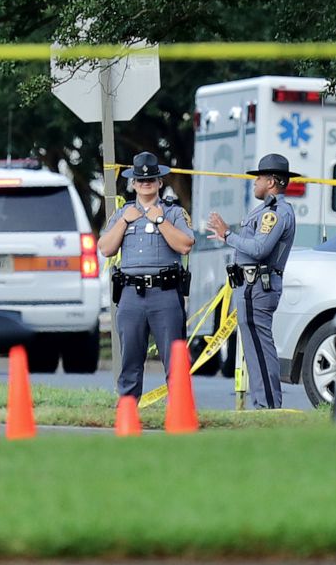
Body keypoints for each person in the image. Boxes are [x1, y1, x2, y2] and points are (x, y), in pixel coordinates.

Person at [98, 151, 195, 399]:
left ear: (160, 182)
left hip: (164, 294)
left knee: (174, 358)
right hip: (131, 295)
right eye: (140, 180)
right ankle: (128, 413)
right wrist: (123, 223)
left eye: (151, 179)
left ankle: (179, 412)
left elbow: (185, 245)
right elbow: (106, 248)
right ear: (133, 183)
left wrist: (159, 219)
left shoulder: (173, 213)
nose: (145, 183)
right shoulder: (123, 213)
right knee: (130, 358)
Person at [206, 153, 297, 409]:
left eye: (259, 177)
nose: (254, 181)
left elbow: (259, 249)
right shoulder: (266, 210)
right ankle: (262, 403)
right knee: (253, 347)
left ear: (271, 182)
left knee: (259, 346)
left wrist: (228, 235)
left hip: (258, 285)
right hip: (250, 285)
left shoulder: (275, 213)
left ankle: (268, 405)